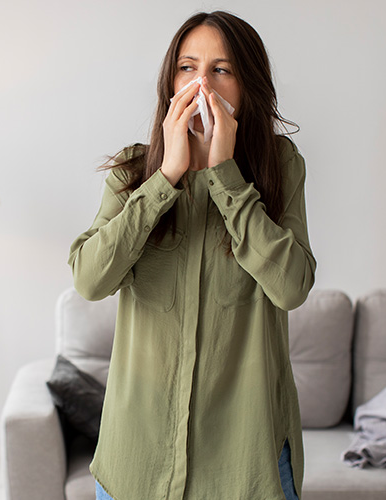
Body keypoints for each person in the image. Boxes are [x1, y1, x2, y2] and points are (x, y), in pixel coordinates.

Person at [68, 10, 316, 500]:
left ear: (247, 85)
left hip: (247, 468)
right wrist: (165, 177)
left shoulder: (281, 167)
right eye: (188, 67)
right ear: (170, 81)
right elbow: (90, 279)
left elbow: (291, 287)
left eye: (222, 69)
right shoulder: (132, 171)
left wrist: (225, 174)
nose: (202, 82)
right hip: (137, 464)